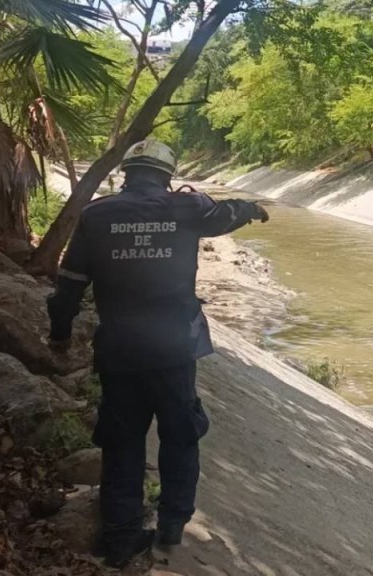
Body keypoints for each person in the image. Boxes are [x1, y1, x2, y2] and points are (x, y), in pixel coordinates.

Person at [46, 140, 270, 568]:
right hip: (174, 350)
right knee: (181, 435)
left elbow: (67, 290)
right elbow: (229, 213)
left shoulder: (97, 215)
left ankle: (119, 538)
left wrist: (58, 337)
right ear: (167, 175)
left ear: (125, 173)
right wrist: (252, 208)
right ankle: (170, 530)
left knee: (121, 441)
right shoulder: (188, 209)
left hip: (120, 351)